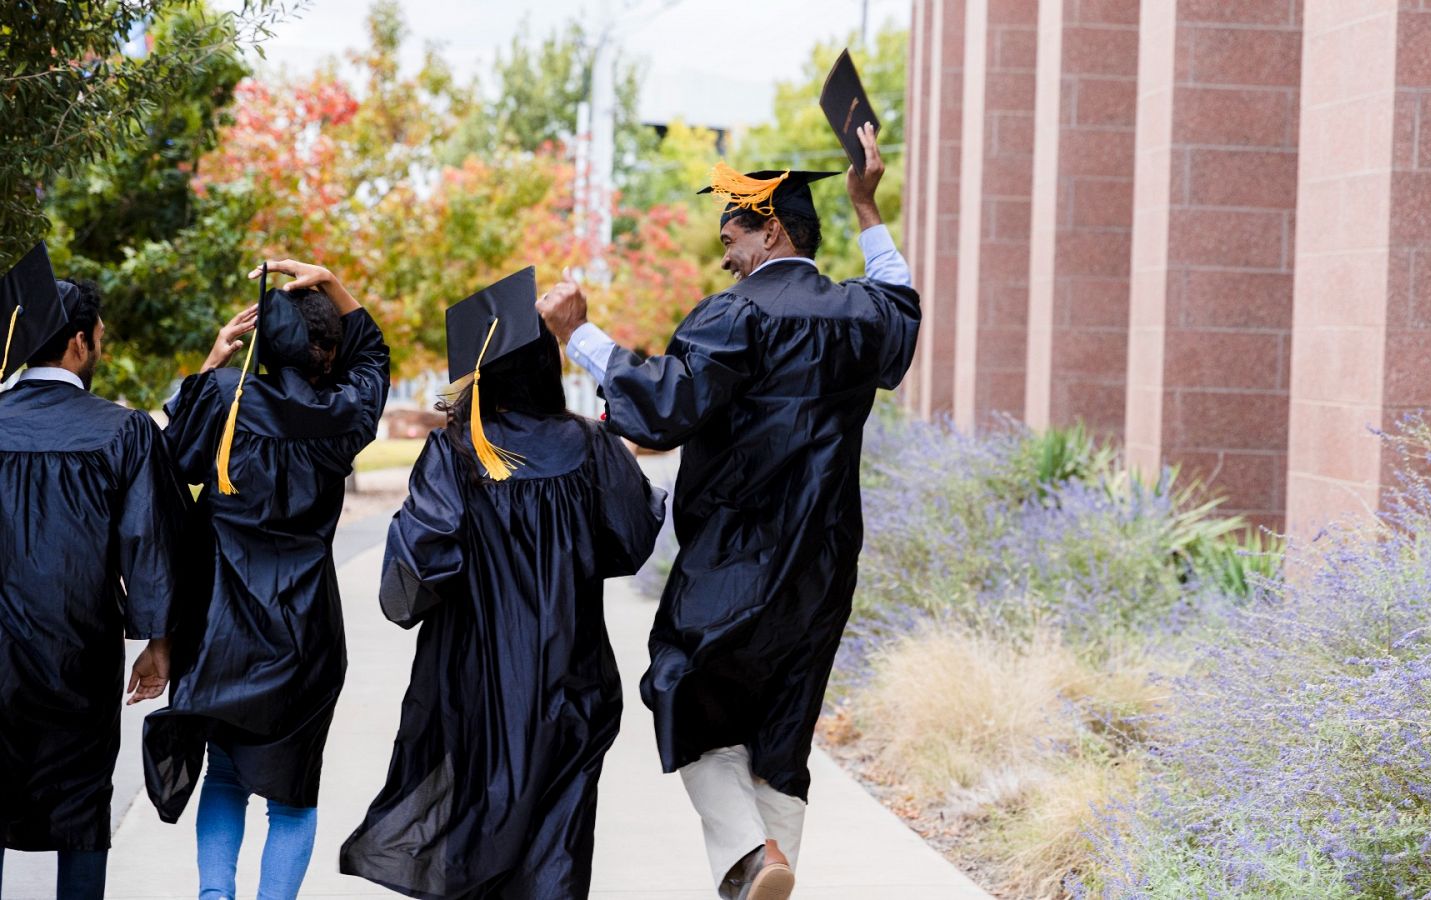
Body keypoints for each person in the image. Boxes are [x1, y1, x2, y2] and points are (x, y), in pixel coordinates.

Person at [538, 122, 918, 900]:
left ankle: (750, 853)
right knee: (783, 726)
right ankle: (764, 872)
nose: (725, 253)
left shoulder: (736, 315)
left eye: (733, 231)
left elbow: (661, 410)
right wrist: (866, 205)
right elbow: (902, 301)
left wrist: (581, 336)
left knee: (682, 686)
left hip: (735, 556)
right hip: (824, 561)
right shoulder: (860, 317)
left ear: (770, 226)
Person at [340, 269, 666, 898]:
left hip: (476, 675)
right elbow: (631, 537)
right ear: (545, 365)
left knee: (477, 825)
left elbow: (420, 562)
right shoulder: (592, 444)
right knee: (559, 839)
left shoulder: (457, 453)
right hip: (574, 672)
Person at [142, 259, 390, 900]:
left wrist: (212, 359)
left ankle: (214, 897)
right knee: (292, 793)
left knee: (224, 775)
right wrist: (332, 279)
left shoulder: (226, 397)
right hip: (304, 631)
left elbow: (168, 461)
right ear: (326, 354)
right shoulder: (344, 415)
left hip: (222, 623)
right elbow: (373, 353)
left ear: (261, 344)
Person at [0, 244, 189, 900]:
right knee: (81, 811)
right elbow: (151, 541)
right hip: (77, 653)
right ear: (79, 344)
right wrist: (157, 644)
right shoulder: (124, 432)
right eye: (100, 337)